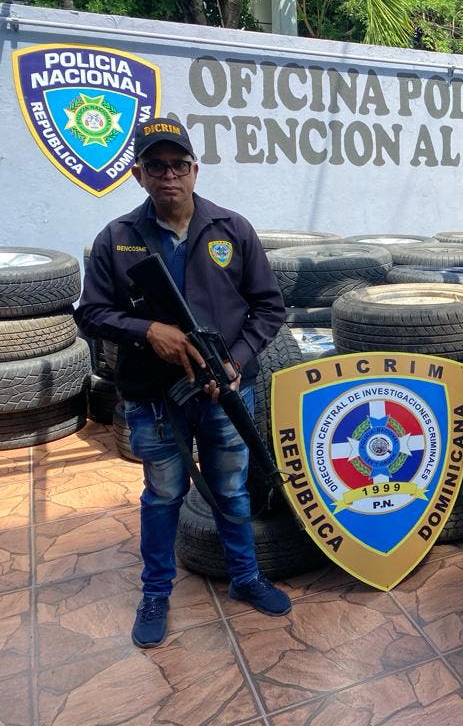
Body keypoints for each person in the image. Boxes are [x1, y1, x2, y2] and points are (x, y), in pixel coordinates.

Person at [75, 117, 291, 648]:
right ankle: (156, 593)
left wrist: (236, 361)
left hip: (225, 391)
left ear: (194, 170)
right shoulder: (118, 239)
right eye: (155, 166)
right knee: (164, 493)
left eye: (178, 165)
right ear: (138, 175)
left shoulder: (232, 229)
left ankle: (244, 578)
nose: (168, 175)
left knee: (232, 488)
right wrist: (150, 331)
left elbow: (269, 307)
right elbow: (92, 313)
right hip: (154, 397)